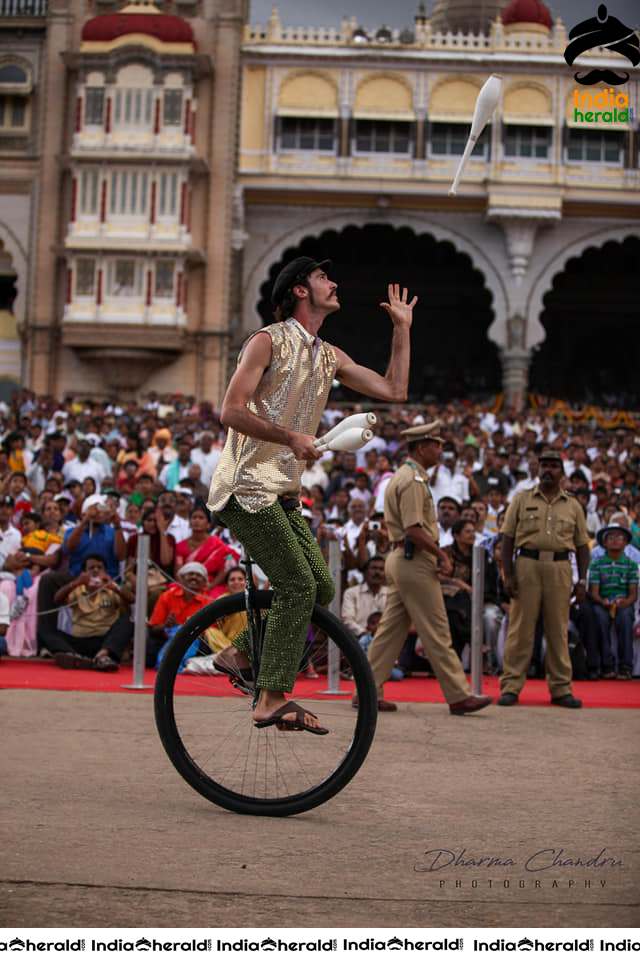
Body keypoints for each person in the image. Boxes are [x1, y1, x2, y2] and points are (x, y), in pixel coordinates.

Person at [207, 257, 416, 733]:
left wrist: (401, 330)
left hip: (283, 491)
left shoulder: (329, 355)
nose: (334, 282)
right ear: (300, 290)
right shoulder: (266, 340)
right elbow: (230, 411)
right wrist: (290, 438)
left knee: (319, 587)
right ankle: (270, 698)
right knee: (298, 585)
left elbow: (394, 389)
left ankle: (242, 654)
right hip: (245, 486)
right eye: (323, 277)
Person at [362, 421, 492, 714]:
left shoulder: (405, 476)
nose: (441, 449)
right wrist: (442, 556)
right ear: (422, 447)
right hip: (414, 559)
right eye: (437, 444)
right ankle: (458, 695)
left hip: (403, 559)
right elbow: (413, 529)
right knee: (437, 630)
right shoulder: (413, 481)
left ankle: (367, 688)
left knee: (390, 632)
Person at [498, 449, 591, 708]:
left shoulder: (573, 504)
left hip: (560, 567)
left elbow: (583, 547)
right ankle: (511, 686)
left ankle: (561, 688)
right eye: (544, 466)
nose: (548, 470)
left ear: (562, 472)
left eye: (553, 466)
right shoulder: (521, 498)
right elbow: (507, 539)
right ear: (537, 470)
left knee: (558, 630)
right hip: (526, 564)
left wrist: (582, 580)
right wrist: (508, 574)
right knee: (520, 630)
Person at [48, 554, 135, 671]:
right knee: (49, 633)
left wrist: (114, 586)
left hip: (104, 642)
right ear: (84, 572)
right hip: (79, 640)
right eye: (91, 568)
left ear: (105, 572)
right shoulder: (77, 589)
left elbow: (132, 599)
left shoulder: (112, 589)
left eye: (100, 568)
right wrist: (76, 583)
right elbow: (57, 599)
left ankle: (102, 656)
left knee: (128, 621)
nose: (96, 570)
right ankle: (79, 657)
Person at [588, 524, 638, 680]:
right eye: (611, 537)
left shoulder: (631, 564)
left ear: (626, 543)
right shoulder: (597, 563)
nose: (615, 540)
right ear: (604, 543)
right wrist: (604, 602)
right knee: (600, 618)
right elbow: (594, 592)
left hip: (623, 602)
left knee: (625, 618)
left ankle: (626, 666)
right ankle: (606, 666)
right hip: (602, 602)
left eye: (619, 537)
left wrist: (625, 602)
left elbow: (633, 594)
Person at [174, 504, 239, 586]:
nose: (197, 520)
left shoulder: (217, 544)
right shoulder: (180, 546)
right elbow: (178, 571)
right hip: (186, 585)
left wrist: (211, 586)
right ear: (189, 523)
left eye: (201, 518)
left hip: (210, 584)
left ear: (208, 524)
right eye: (194, 517)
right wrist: (186, 587)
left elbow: (228, 559)